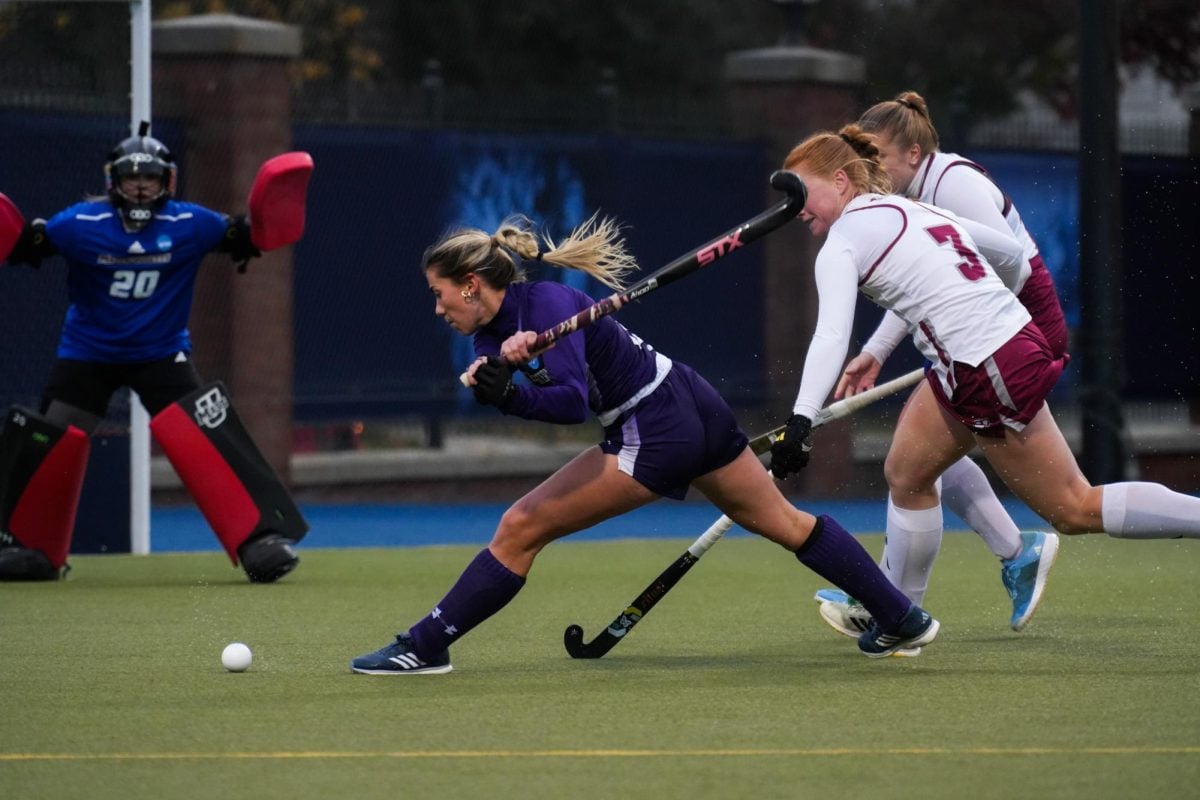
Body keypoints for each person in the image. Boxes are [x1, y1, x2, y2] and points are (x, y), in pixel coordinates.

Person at [350, 213, 940, 674]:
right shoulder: (491, 339)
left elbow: (571, 403)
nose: (438, 307)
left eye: (440, 293)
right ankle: (901, 616)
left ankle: (425, 647)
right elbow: (527, 389)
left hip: (653, 424)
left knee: (519, 527)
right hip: (691, 401)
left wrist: (511, 395)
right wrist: (497, 384)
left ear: (472, 285)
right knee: (786, 523)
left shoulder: (551, 304)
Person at [768, 125, 1200, 655]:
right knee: (907, 473)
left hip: (985, 365)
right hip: (980, 357)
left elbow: (831, 333)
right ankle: (902, 618)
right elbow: (1009, 254)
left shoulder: (841, 244)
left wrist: (802, 418)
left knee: (1073, 506)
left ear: (839, 180)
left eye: (801, 194)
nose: (796, 210)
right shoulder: (910, 210)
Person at [811, 91, 1068, 641]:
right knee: (914, 460)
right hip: (974, 336)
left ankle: (900, 594)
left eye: (875, 154)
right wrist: (877, 351)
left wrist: (985, 330)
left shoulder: (953, 184)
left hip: (1007, 331)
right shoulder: (908, 195)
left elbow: (995, 263)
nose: (867, 167)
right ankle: (907, 594)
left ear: (913, 152)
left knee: (1073, 505)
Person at [0, 125, 307, 583]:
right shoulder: (79, 225)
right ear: (113, 182)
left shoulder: (191, 224)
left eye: (151, 178)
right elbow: (25, 245)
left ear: (169, 181)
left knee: (209, 431)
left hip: (161, 353)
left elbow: (246, 238)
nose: (141, 186)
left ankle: (261, 541)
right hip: (88, 354)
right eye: (131, 178)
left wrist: (264, 224)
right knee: (49, 439)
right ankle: (26, 547)